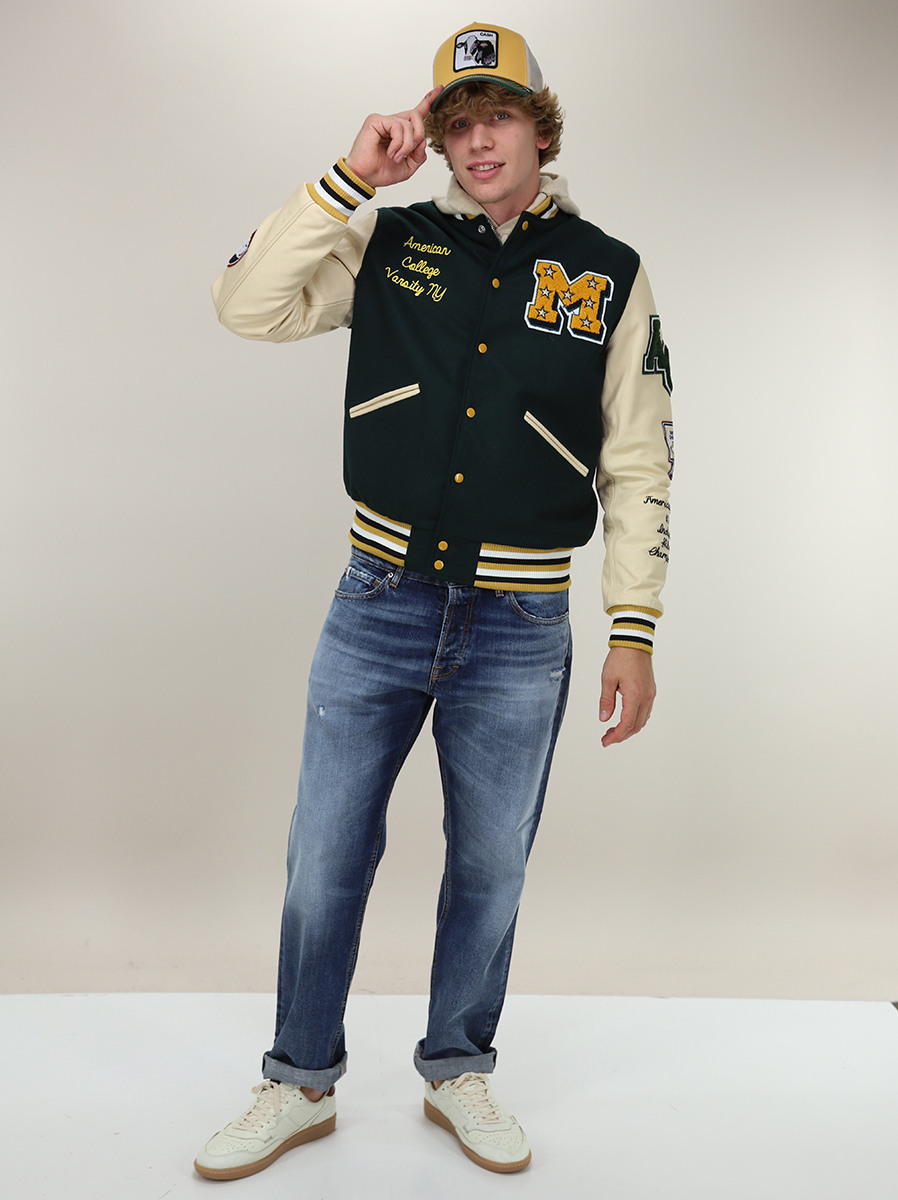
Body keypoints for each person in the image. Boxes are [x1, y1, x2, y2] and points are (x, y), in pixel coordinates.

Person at [195, 21, 674, 1181]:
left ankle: (458, 1067)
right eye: (456, 123)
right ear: (437, 140)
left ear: (540, 129)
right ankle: (298, 1081)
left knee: (492, 866)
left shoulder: (608, 272)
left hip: (521, 623)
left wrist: (633, 625)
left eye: (498, 116)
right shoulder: (388, 240)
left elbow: (639, 456)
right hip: (378, 601)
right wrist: (350, 177)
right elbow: (245, 306)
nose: (478, 141)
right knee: (324, 853)